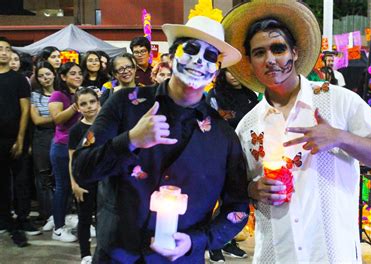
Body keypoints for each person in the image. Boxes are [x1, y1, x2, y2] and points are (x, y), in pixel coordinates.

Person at [222, 1, 371, 262]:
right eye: (259, 53)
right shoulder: (247, 127)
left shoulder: (339, 101)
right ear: (250, 61)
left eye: (278, 48)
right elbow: (237, 188)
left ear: (294, 52)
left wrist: (340, 137)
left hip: (330, 253)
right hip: (277, 255)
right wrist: (252, 189)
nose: (270, 59)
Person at [73, 13, 249, 263]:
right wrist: (130, 140)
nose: (199, 61)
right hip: (117, 254)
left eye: (210, 56)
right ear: (173, 55)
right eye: (191, 49)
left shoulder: (224, 136)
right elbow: (82, 168)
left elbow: (237, 207)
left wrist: (196, 240)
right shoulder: (124, 104)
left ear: (216, 70)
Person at [206, 68, 257, 262]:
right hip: (220, 153)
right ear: (222, 74)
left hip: (245, 155)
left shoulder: (250, 95)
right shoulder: (214, 95)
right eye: (230, 72)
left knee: (235, 200)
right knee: (217, 200)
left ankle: (228, 240)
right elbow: (209, 125)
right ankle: (213, 245)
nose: (234, 76)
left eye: (238, 72)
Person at [0, 36, 31, 247]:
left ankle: (22, 220)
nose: (3, 52)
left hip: (14, 138)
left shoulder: (19, 79)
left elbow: (25, 110)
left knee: (20, 181)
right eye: (0, 48)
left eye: (7, 49)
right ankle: (6, 221)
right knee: (2, 184)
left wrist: (20, 138)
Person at [48, 62, 83, 243]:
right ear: (63, 77)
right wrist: (77, 105)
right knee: (62, 187)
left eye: (79, 73)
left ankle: (80, 222)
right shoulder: (58, 95)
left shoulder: (79, 93)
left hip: (79, 147)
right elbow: (58, 119)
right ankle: (58, 228)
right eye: (73, 73)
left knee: (78, 185)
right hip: (62, 147)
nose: (78, 76)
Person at [68, 88, 101, 264]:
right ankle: (85, 255)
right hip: (84, 181)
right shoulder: (75, 130)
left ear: (98, 102)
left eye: (92, 102)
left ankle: (104, 251)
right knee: (85, 218)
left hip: (105, 180)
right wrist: (74, 184)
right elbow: (71, 159)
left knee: (105, 218)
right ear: (78, 108)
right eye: (83, 104)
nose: (89, 107)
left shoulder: (108, 125)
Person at [30, 61, 56, 231]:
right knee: (43, 178)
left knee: (60, 178)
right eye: (41, 75)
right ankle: (48, 215)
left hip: (61, 137)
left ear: (54, 74)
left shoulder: (62, 94)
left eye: (47, 74)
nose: (45, 78)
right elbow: (37, 120)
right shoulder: (34, 96)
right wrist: (60, 117)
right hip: (42, 138)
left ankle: (61, 213)